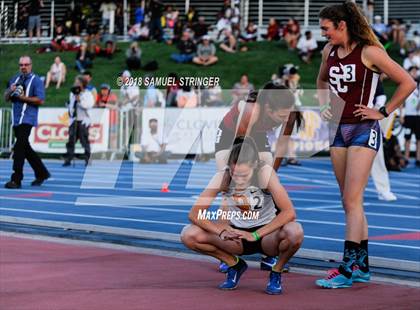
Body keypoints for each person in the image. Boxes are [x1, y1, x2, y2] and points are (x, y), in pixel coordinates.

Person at [315, 1, 416, 289]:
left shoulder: (370, 51)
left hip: (363, 128)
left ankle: (348, 268)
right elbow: (321, 81)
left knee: (351, 200)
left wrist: (383, 112)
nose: (324, 34)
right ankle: (362, 267)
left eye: (326, 29)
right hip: (338, 129)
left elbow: (407, 82)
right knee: (350, 202)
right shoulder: (329, 51)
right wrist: (324, 106)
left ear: (341, 25)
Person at [181, 136, 303, 294]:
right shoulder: (222, 177)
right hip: (236, 237)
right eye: (234, 174)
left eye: (244, 175)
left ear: (255, 166)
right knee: (188, 234)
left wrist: (256, 235)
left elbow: (289, 212)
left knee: (295, 231)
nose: (238, 180)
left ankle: (276, 271)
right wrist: (221, 232)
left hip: (267, 237)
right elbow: (195, 213)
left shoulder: (265, 174)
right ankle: (235, 265)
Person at [4, 56, 50, 189]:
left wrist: (22, 97)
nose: (23, 67)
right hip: (16, 118)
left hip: (28, 118)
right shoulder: (14, 79)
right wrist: (10, 91)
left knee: (19, 147)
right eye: (21, 65)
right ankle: (42, 173)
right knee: (25, 148)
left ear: (31, 65)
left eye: (26, 64)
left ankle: (16, 179)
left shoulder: (36, 81)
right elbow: (6, 97)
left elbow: (40, 100)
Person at [370, 80, 397, 201]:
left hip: (369, 121)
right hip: (348, 122)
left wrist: (377, 108)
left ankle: (383, 190)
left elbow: (381, 94)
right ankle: (348, 191)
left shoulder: (373, 77)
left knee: (377, 156)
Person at [63, 76, 95, 167]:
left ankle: (88, 159)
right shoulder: (72, 94)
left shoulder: (88, 94)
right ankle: (68, 159)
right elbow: (71, 105)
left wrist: (79, 100)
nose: (75, 84)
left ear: (82, 84)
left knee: (84, 140)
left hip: (83, 120)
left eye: (77, 82)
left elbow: (88, 105)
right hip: (74, 120)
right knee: (71, 140)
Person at [400, 66, 420, 167]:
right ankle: (406, 157)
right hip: (408, 115)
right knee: (407, 137)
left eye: (416, 71)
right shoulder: (405, 85)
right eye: (413, 71)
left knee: (418, 138)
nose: (415, 73)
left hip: (418, 116)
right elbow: (401, 102)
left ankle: (418, 158)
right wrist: (401, 116)